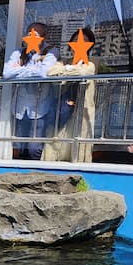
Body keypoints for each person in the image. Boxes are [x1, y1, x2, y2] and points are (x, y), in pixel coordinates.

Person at [3, 22, 58, 160]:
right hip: (20, 108)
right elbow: (7, 74)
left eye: (36, 34)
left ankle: (35, 176)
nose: (31, 36)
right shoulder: (18, 52)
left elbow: (43, 74)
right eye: (29, 34)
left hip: (40, 108)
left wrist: (19, 70)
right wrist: (32, 70)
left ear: (44, 37)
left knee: (34, 148)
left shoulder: (51, 51)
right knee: (20, 147)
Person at [42, 27, 97, 163]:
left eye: (84, 41)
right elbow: (50, 73)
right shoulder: (62, 62)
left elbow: (83, 74)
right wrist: (69, 68)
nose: (79, 44)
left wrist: (65, 72)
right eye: (76, 40)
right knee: (54, 143)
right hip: (62, 109)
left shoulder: (91, 64)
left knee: (78, 146)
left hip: (81, 112)